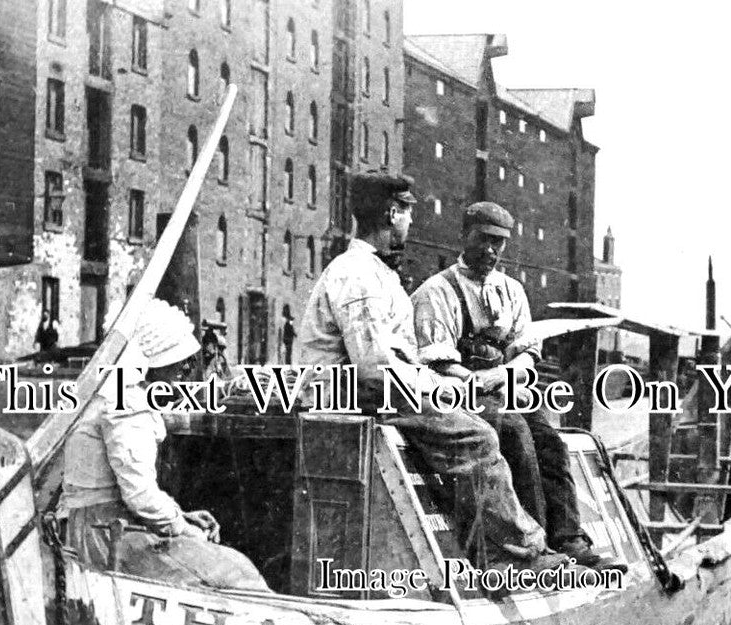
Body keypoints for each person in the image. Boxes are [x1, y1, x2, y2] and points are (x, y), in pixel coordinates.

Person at [296, 171, 565, 575]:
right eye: (407, 213)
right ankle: (511, 555)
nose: (410, 222)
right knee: (476, 436)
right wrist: (444, 388)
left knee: (486, 419)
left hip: (367, 387)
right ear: (391, 213)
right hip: (353, 393)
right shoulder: (359, 275)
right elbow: (376, 367)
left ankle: (501, 545)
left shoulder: (372, 270)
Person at [411, 201, 623, 572]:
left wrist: (505, 377)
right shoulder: (436, 292)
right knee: (514, 432)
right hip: (456, 391)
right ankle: (535, 548)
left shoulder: (512, 291)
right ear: (465, 236)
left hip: (500, 385)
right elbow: (438, 361)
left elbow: (526, 354)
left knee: (550, 439)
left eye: (499, 243)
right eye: (484, 240)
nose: (491, 250)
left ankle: (569, 538)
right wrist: (480, 382)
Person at [61, 298, 269, 591]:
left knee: (230, 565)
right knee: (235, 575)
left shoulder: (115, 392)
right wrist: (184, 530)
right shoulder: (127, 405)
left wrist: (179, 515)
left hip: (100, 524)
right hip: (105, 535)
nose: (187, 367)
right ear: (152, 359)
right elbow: (139, 495)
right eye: (177, 359)